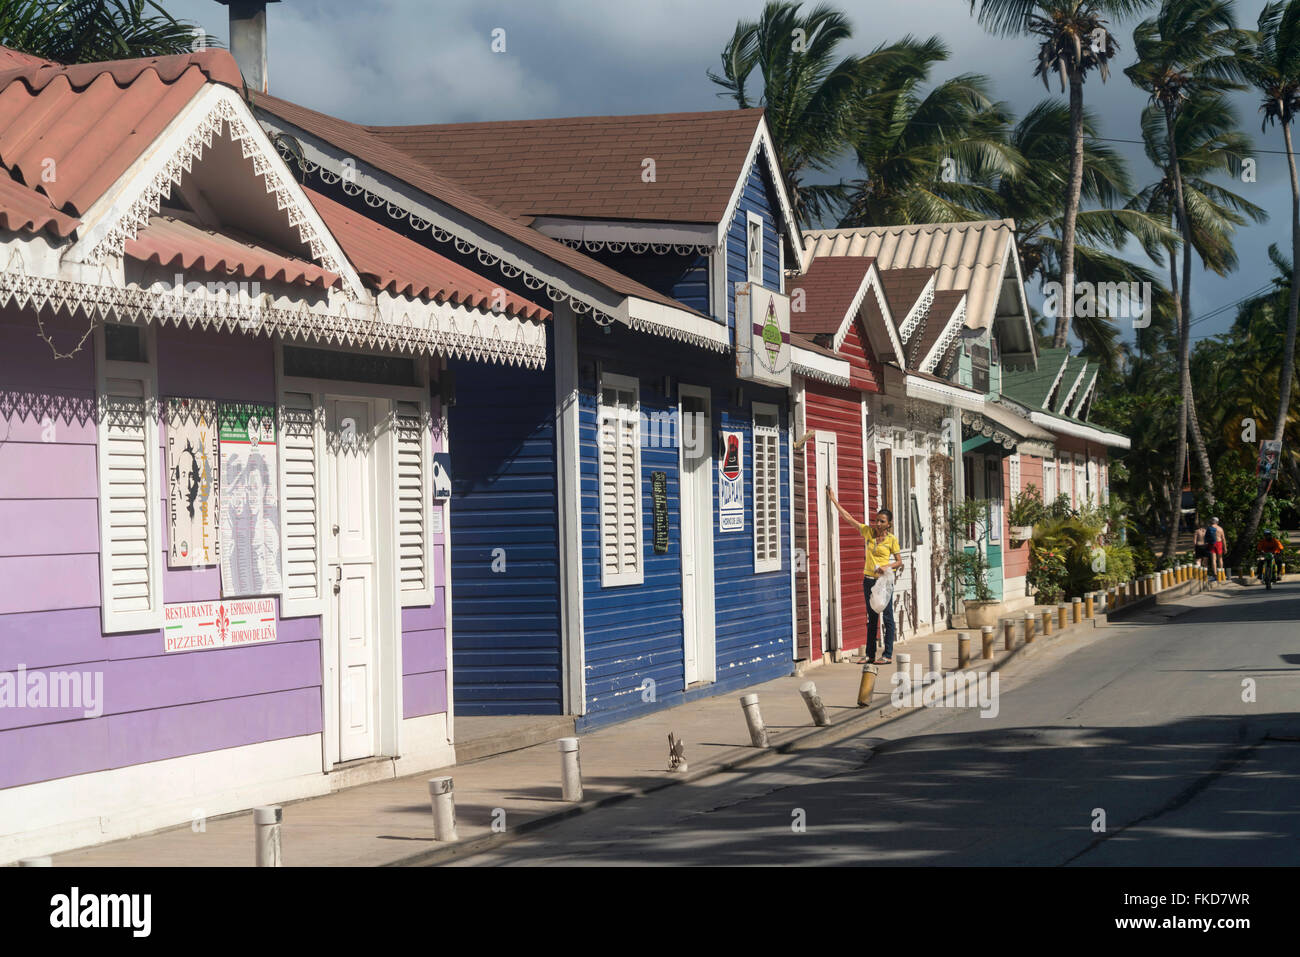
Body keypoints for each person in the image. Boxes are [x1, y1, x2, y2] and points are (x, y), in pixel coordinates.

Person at [828, 488, 904, 665]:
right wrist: (834, 500)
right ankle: (870, 654)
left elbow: (899, 561)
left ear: (888, 524)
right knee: (871, 618)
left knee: (887, 617)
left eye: (882, 521)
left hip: (884, 582)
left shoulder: (891, 539)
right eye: (877, 520)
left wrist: (886, 566)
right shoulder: (868, 532)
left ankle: (887, 655)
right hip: (868, 580)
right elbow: (849, 519)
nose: (877, 523)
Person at [1207, 516, 1225, 582]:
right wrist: (1225, 547)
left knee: (1213, 560)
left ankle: (1215, 575)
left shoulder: (1209, 528)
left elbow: (1206, 538)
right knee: (1220, 559)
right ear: (1217, 522)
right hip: (1219, 543)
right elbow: (1223, 539)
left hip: (1212, 544)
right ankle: (1221, 574)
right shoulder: (1220, 529)